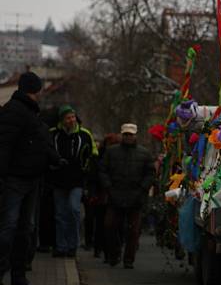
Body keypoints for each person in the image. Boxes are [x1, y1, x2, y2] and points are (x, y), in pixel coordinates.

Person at [0, 72, 61, 285]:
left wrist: (55, 159)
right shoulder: (15, 112)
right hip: (15, 179)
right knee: (10, 227)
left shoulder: (29, 113)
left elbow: (39, 144)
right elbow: (4, 146)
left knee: (23, 229)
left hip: (31, 179)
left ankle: (18, 275)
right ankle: (8, 273)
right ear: (33, 90)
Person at [99, 123, 154, 268]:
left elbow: (150, 174)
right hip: (115, 195)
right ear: (122, 135)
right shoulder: (111, 152)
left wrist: (142, 189)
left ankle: (128, 259)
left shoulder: (144, 153)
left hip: (135, 197)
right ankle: (113, 254)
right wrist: (109, 187)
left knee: (133, 230)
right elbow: (102, 170)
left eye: (131, 134)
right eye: (126, 134)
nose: (128, 137)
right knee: (110, 226)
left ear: (135, 135)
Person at [49, 105, 97, 258]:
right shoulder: (53, 134)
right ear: (62, 120)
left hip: (77, 180)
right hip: (58, 180)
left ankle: (73, 245)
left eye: (73, 117)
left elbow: (93, 154)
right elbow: (46, 151)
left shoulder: (84, 134)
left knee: (74, 210)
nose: (71, 120)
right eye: (68, 118)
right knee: (60, 214)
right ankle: (61, 246)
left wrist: (87, 171)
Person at [85, 133, 120, 260]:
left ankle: (105, 249)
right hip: (102, 193)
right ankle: (100, 248)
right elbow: (93, 176)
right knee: (102, 223)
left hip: (109, 193)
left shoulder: (104, 157)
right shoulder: (99, 157)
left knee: (106, 223)